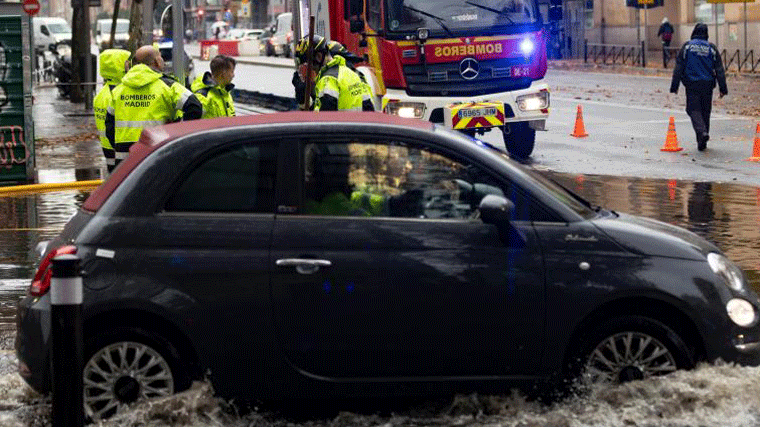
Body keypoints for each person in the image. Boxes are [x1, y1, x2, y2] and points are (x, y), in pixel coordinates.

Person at [106, 45, 203, 168]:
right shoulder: (167, 86)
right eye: (160, 56)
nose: (162, 60)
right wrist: (177, 134)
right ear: (157, 62)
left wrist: (119, 147)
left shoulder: (119, 90)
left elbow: (109, 125)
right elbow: (194, 107)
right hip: (157, 154)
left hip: (125, 158)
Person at [670, 23, 727, 151]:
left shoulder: (687, 47)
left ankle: (701, 133)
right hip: (708, 85)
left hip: (692, 84)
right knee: (705, 112)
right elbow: (719, 69)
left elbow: (679, 67)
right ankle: (702, 141)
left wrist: (675, 86)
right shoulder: (711, 48)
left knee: (693, 109)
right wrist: (723, 88)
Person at [293, 35, 375, 111]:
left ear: (319, 57)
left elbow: (322, 119)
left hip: (341, 126)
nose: (311, 70)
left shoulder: (328, 80)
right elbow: (369, 108)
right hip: (362, 125)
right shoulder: (352, 74)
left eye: (310, 65)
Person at [93, 48, 131, 174]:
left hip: (107, 147)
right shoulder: (118, 93)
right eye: (126, 63)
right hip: (118, 147)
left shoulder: (102, 93)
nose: (129, 66)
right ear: (118, 66)